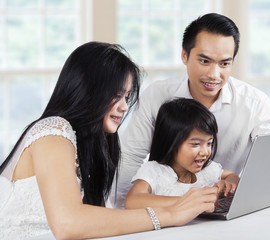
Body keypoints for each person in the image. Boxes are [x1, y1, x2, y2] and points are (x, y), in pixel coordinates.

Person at [0, 42, 218, 240]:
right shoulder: (53, 131)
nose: (124, 107)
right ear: (89, 91)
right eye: (117, 94)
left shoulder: (94, 145)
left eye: (127, 97)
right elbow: (68, 223)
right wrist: (170, 214)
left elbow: (98, 222)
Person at [109, 13, 270, 209]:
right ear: (184, 55)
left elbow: (268, 154)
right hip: (164, 213)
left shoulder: (255, 102)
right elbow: (131, 157)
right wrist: (122, 215)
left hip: (221, 209)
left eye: (224, 63)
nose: (214, 75)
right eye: (204, 61)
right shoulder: (158, 95)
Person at [125, 98, 240, 209]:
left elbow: (232, 176)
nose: (205, 152)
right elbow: (132, 201)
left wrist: (229, 183)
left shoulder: (207, 170)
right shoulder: (155, 171)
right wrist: (190, 201)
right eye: (195, 144)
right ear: (171, 142)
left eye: (209, 143)